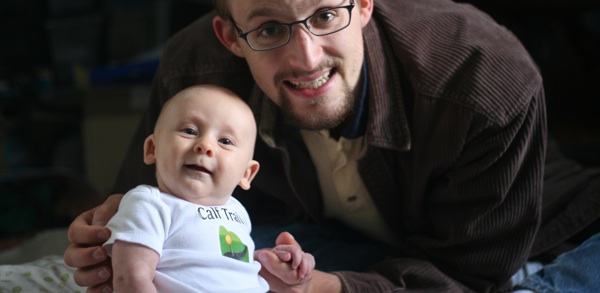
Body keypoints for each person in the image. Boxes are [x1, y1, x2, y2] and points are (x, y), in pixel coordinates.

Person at [64, 0, 600, 292]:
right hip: (339, 243)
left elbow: (469, 272)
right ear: (229, 37)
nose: (305, 58)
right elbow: (150, 202)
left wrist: (330, 289)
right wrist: (106, 244)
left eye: (325, 16)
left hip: (531, 235)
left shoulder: (482, 76)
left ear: (364, 4)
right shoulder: (197, 72)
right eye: (270, 27)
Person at [104, 84, 314, 293]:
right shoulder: (149, 204)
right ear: (153, 149)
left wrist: (271, 261)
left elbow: (230, 265)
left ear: (246, 174)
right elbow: (130, 279)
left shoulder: (237, 211)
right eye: (189, 131)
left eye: (225, 141)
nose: (205, 146)